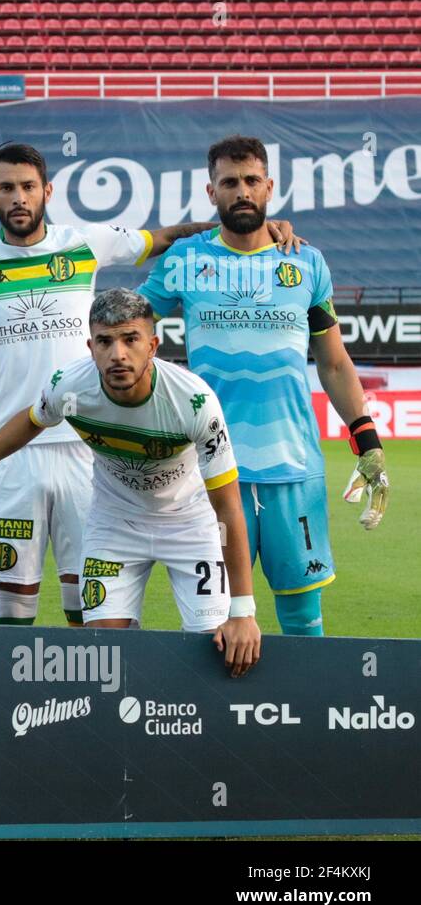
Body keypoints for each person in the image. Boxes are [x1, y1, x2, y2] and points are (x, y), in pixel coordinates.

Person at [0, 141, 298, 627]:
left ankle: (81, 698)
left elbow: (164, 237)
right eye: (7, 188)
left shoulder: (84, 242)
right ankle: (19, 699)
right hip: (14, 445)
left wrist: (256, 230)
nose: (18, 197)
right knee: (12, 599)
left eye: (28, 186)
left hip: (87, 446)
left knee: (84, 604)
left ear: (47, 191)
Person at [137, 136, 388, 636]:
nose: (242, 191)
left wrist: (367, 440)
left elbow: (334, 363)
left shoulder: (306, 263)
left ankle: (307, 715)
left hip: (293, 469)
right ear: (212, 192)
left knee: (302, 617)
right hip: (210, 469)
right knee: (217, 620)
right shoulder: (185, 260)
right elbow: (129, 331)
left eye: (252, 180)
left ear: (270, 186)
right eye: (230, 182)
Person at [0, 289, 260, 676]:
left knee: (213, 643)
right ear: (90, 346)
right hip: (114, 523)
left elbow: (228, 507)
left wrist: (243, 610)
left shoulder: (194, 402)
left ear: (152, 345)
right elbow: (32, 420)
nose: (118, 354)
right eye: (105, 341)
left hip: (189, 525)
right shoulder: (70, 385)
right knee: (103, 654)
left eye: (131, 339)